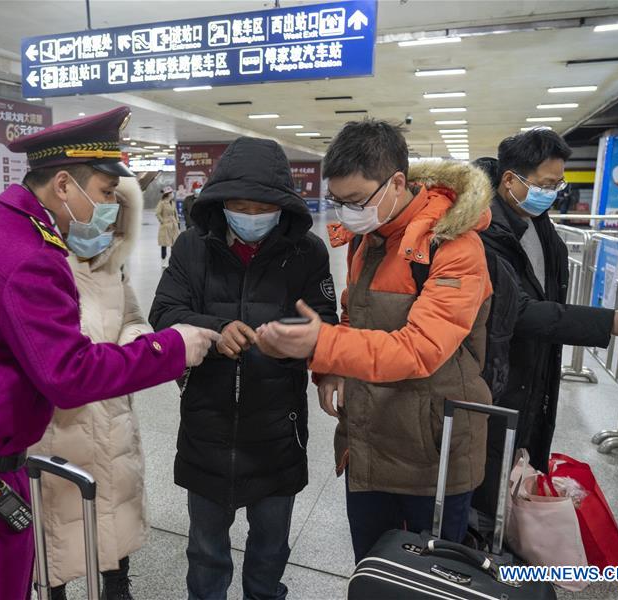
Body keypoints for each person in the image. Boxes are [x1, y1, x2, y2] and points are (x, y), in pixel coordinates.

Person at [0, 107, 220, 600]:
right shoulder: (33, 256)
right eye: (103, 193)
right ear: (63, 185)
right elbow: (70, 375)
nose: (107, 208)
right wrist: (174, 346)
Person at [256, 119, 494, 563]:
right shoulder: (370, 237)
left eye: (355, 200)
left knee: (427, 580)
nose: (347, 212)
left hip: (430, 451)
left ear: (397, 182)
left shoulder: (454, 246)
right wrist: (332, 368)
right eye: (338, 202)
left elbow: (420, 349)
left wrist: (321, 345)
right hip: (367, 441)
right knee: (372, 568)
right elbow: (354, 315)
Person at [149, 137, 338, 600]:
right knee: (206, 551)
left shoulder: (307, 252)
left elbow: (326, 324)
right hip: (206, 425)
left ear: (282, 206)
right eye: (239, 204)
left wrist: (289, 340)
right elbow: (164, 313)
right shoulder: (194, 247)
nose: (251, 214)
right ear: (219, 202)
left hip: (278, 429)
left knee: (270, 548)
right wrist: (215, 331)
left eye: (263, 205)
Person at [471, 131, 618, 515]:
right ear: (510, 181)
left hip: (537, 363)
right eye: (544, 184)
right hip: (499, 372)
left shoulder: (537, 220)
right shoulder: (484, 233)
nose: (553, 192)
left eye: (559, 183)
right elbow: (517, 310)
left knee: (522, 464)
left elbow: (547, 292)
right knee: (490, 474)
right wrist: (608, 322)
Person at [29, 174, 150, 600]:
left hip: (111, 414)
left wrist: (130, 348)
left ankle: (118, 586)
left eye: (114, 225)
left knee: (113, 508)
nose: (104, 232)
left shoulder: (113, 271)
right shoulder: (40, 267)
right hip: (57, 425)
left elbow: (135, 320)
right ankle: (53, 589)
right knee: (56, 526)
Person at [156, 184, 180, 268]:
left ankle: (172, 260)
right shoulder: (162, 203)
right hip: (166, 226)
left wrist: (177, 222)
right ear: (168, 194)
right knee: (164, 244)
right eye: (171, 193)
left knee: (174, 244)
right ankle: (164, 260)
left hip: (174, 226)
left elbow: (175, 213)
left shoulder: (172, 203)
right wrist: (163, 221)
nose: (172, 194)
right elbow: (157, 213)